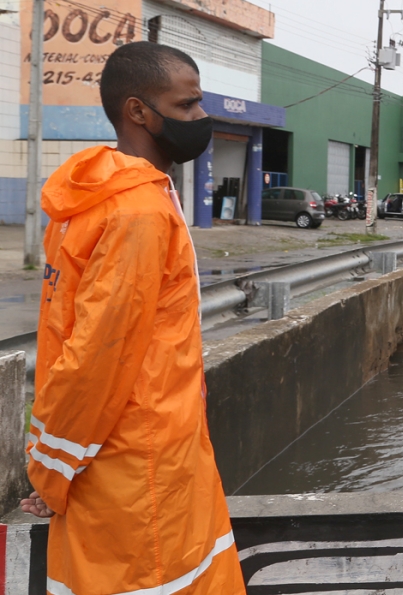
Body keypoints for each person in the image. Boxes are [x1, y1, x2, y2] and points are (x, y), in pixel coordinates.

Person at [21, 42, 246, 594]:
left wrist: (56, 459)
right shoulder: (139, 212)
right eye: (188, 105)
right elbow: (97, 357)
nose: (201, 119)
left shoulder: (94, 197)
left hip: (128, 457)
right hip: (138, 469)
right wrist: (49, 472)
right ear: (138, 112)